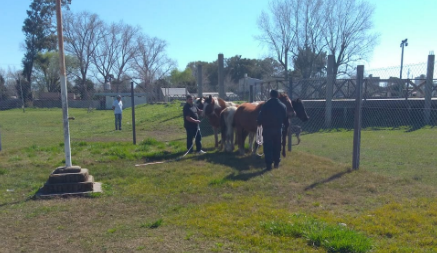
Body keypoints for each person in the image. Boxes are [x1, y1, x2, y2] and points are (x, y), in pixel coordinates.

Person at [257, 90, 289, 170]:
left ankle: (268, 164)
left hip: (267, 129)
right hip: (278, 129)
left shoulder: (265, 105)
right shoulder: (282, 106)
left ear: (270, 95)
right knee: (277, 145)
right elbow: (285, 118)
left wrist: (259, 122)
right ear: (278, 96)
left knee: (268, 146)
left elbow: (260, 116)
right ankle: (276, 162)